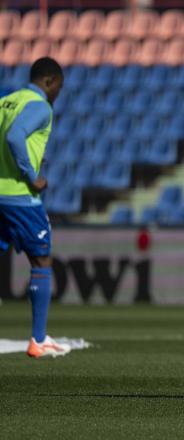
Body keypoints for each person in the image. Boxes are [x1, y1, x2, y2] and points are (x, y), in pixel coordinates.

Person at [0, 57, 69, 358]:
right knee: (41, 261)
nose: (58, 95)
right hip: (20, 197)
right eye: (59, 88)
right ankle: (38, 340)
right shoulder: (41, 106)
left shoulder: (6, 101)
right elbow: (15, 137)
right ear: (50, 81)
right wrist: (32, 176)